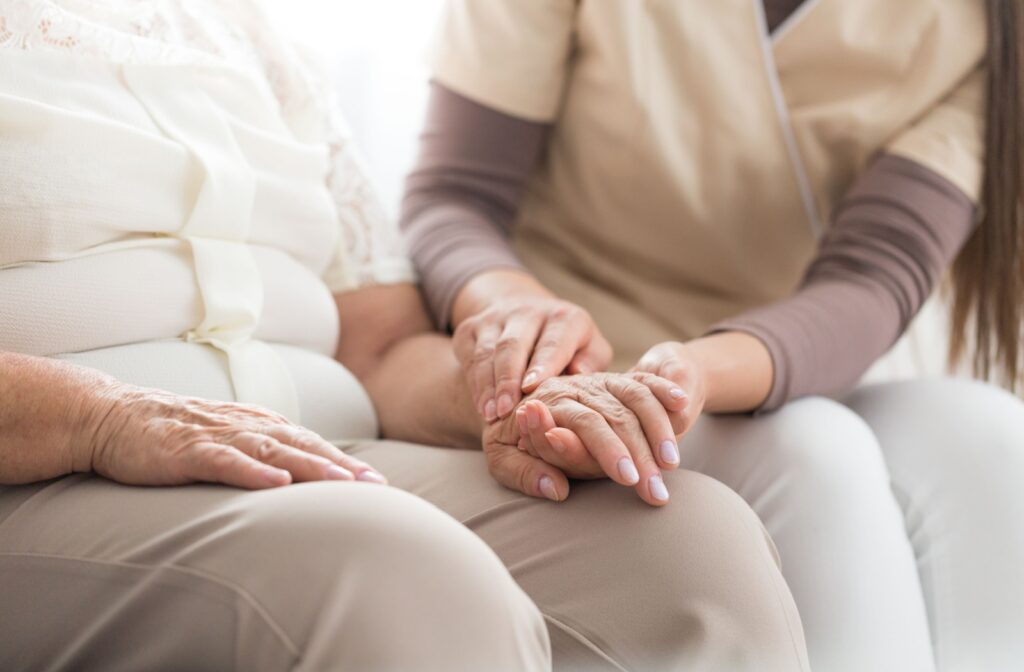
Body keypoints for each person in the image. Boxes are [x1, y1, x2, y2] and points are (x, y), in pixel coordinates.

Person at [0, 1, 809, 669]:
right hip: (51, 464)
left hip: (324, 451)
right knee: (398, 575)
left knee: (686, 546)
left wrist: (515, 398)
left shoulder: (249, 36)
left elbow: (380, 349)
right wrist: (100, 418)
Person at [400, 1, 1024, 670]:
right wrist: (523, 321)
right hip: (569, 363)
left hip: (765, 367)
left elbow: (872, 276)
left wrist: (691, 373)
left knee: (989, 435)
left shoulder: (983, 25)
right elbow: (457, 194)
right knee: (813, 448)